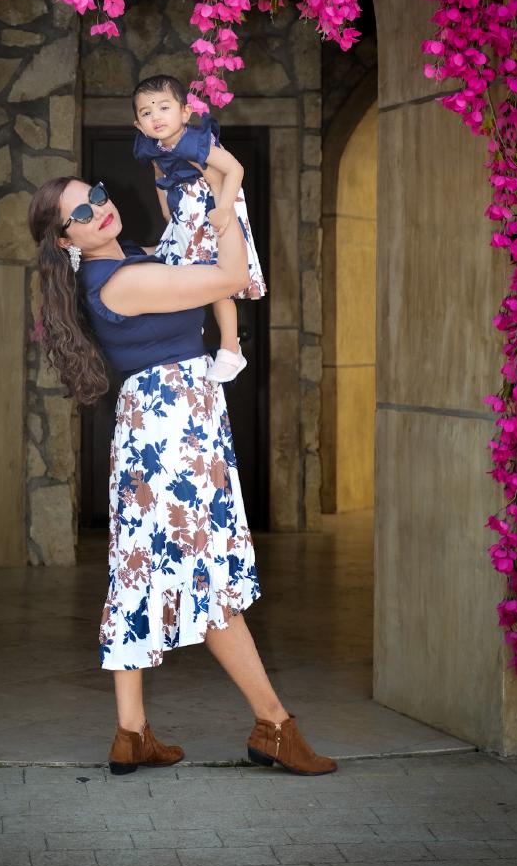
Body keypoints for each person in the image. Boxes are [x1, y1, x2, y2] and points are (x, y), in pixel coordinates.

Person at [28, 175, 337, 778]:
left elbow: (180, 224)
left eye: (97, 193)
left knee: (138, 570)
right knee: (208, 577)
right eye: (82, 213)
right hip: (170, 430)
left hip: (164, 425)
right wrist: (227, 213)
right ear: (66, 239)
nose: (101, 209)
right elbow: (227, 278)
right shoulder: (122, 280)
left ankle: (131, 732)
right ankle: (274, 723)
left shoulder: (131, 260)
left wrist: (183, 172)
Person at [132, 74, 267, 383]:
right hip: (185, 212)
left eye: (164, 108)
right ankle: (193, 328)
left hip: (212, 205)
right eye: (146, 112)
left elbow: (234, 168)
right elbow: (158, 171)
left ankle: (231, 349)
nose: (156, 117)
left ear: (184, 113)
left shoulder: (193, 141)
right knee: (180, 269)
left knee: (217, 280)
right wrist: (166, 207)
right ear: (138, 124)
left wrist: (223, 209)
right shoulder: (151, 145)